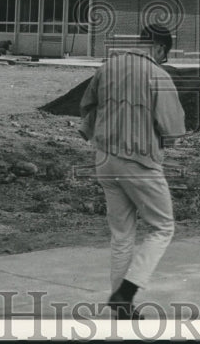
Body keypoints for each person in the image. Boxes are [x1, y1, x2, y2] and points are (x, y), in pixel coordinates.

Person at [79, 24, 186, 318]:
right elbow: (173, 131)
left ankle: (122, 309)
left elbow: (87, 105)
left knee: (122, 235)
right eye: (165, 55)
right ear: (161, 49)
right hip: (139, 163)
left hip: (104, 159)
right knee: (162, 228)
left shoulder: (108, 66)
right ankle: (126, 292)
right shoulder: (159, 76)